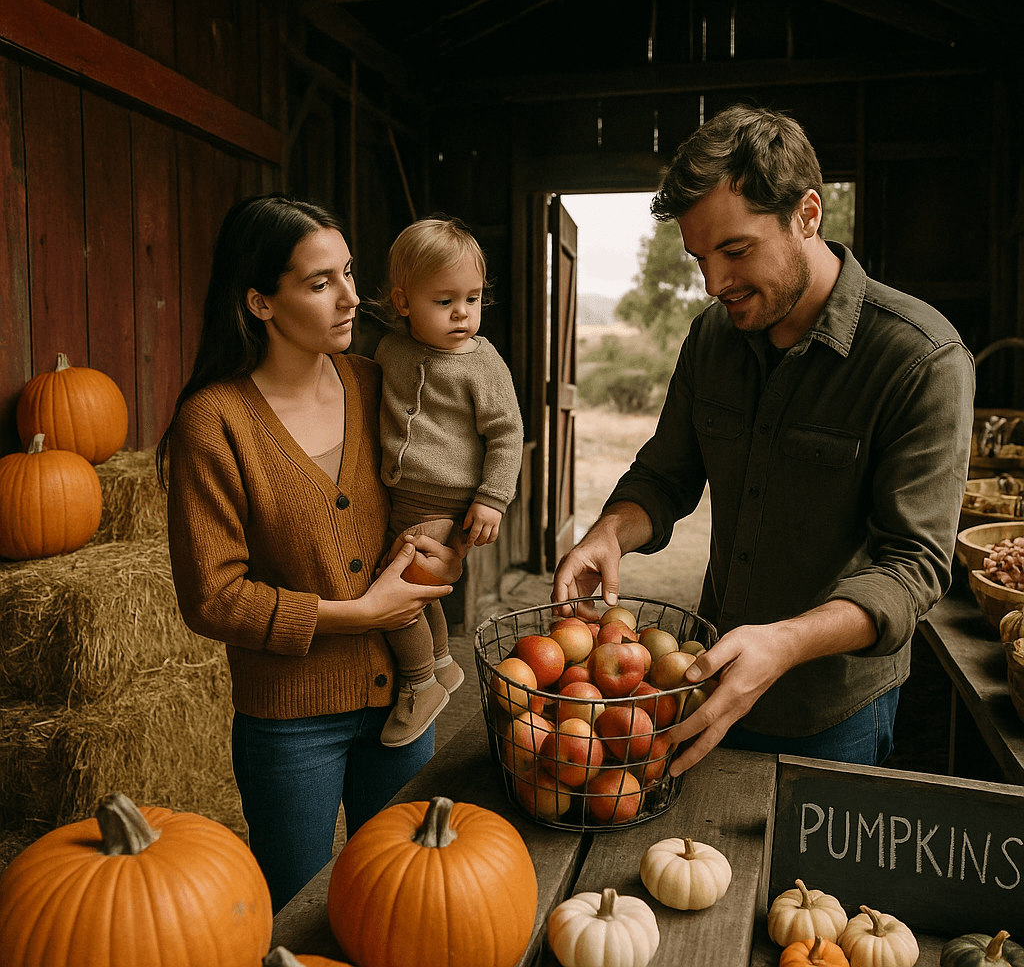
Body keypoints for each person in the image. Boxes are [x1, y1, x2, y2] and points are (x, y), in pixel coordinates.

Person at [552, 104, 975, 775]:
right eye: (700, 258)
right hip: (706, 675)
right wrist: (609, 533)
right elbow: (664, 477)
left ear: (807, 214)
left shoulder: (920, 359)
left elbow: (913, 566)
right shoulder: (711, 338)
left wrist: (785, 643)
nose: (714, 284)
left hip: (830, 713)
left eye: (735, 251)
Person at [157, 194, 461, 913]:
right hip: (291, 725)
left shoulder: (378, 384)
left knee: (404, 905)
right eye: (320, 282)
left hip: (405, 702)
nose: (351, 297)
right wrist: (358, 615)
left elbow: (426, 496)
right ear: (260, 302)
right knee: (294, 912)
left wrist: (442, 556)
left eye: (348, 272)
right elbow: (213, 598)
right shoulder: (214, 423)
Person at [371, 214, 524, 747]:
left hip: (448, 502)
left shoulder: (482, 363)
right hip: (402, 494)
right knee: (421, 587)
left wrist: (492, 499)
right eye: (445, 301)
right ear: (403, 301)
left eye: (473, 299)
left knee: (395, 590)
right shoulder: (390, 350)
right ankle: (440, 663)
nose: (463, 313)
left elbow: (507, 433)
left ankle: (419, 684)